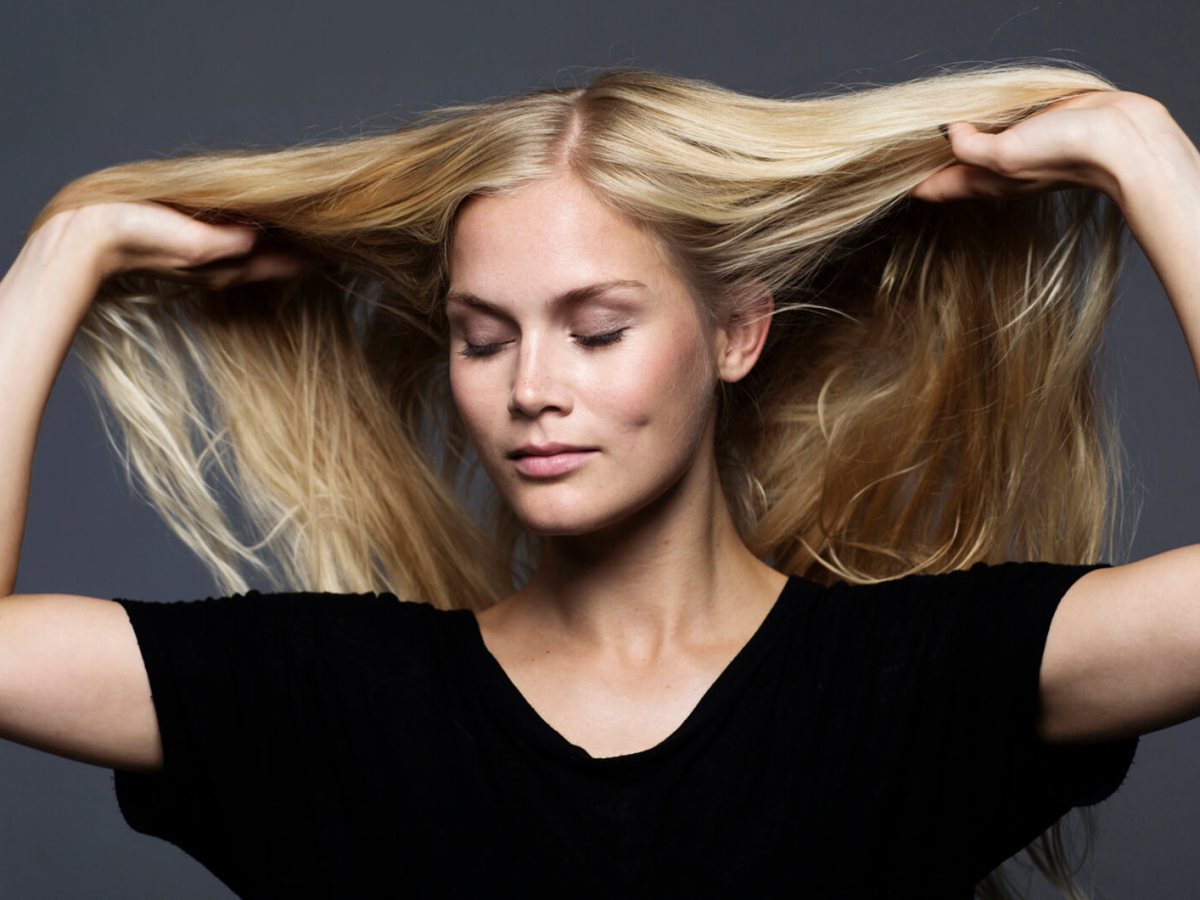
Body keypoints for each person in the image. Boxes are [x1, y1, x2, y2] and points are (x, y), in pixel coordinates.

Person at [0, 61, 1194, 898]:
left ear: (736, 334)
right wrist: (68, 250)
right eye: (482, 337)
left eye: (597, 328)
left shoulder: (912, 683)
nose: (530, 387)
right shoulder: (338, 702)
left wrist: (1145, 151)